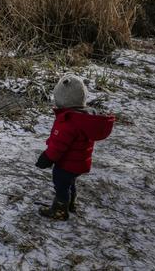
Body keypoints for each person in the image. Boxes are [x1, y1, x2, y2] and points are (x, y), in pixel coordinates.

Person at [35, 74, 114, 220]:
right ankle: (70, 203)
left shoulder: (68, 121)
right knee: (69, 182)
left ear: (64, 99)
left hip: (67, 163)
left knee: (61, 184)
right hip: (79, 162)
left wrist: (47, 157)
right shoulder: (85, 117)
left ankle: (60, 211)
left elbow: (58, 145)